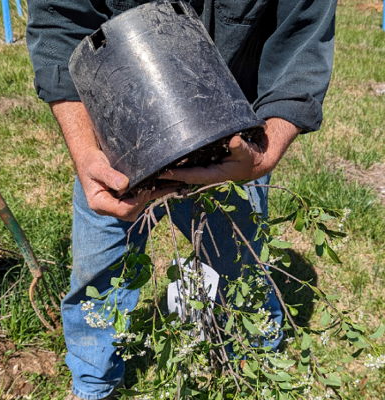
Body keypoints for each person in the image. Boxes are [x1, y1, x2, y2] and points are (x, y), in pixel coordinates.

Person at [26, 1, 337, 399]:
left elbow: (303, 43)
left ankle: (253, 365)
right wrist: (85, 150)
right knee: (98, 277)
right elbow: (58, 24)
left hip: (229, 151)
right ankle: (92, 385)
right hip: (117, 149)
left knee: (241, 274)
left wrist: (263, 152)